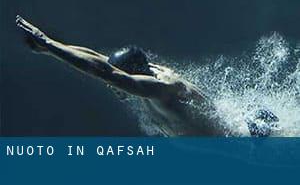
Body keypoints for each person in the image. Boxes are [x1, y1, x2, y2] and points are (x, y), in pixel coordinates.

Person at [15, 15, 278, 136]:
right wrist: (51, 48)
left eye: (115, 81)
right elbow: (99, 61)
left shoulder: (162, 89)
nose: (110, 86)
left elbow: (106, 72)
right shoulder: (146, 73)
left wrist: (48, 44)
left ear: (132, 75)